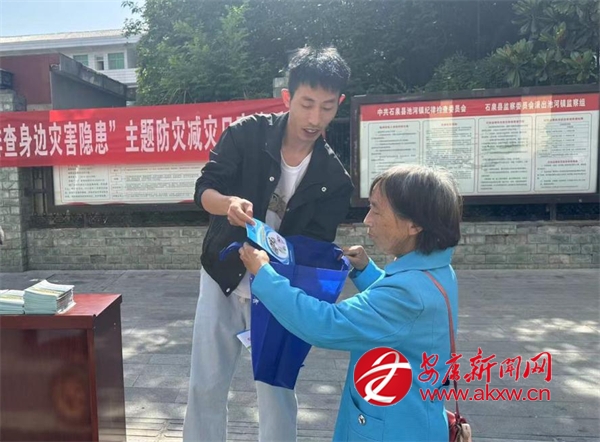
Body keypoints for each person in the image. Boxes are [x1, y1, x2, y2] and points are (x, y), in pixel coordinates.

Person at [183, 46, 353, 442]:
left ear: (339, 103)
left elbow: (313, 248)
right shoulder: (247, 134)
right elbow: (204, 189)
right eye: (307, 104)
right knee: (206, 384)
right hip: (223, 276)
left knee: (277, 392)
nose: (315, 119)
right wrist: (228, 204)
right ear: (287, 97)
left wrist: (275, 274)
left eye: (327, 107)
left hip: (278, 290)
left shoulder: (334, 178)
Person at [239, 164, 463, 441]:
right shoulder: (436, 271)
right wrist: (367, 272)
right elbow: (401, 319)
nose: (367, 219)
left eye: (376, 210)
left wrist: (265, 275)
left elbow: (326, 324)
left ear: (414, 225)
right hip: (413, 417)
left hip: (392, 431)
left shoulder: (408, 293)